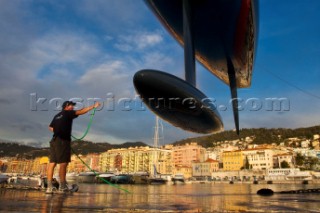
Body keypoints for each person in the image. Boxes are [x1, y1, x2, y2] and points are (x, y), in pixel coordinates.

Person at [46, 100, 101, 194]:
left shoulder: (57, 116)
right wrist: (93, 106)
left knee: (52, 163)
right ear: (67, 106)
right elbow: (81, 111)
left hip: (54, 141)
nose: (73, 108)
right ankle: (63, 187)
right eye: (72, 106)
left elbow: (50, 127)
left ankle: (49, 187)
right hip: (63, 141)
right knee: (63, 163)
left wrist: (58, 130)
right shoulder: (68, 113)